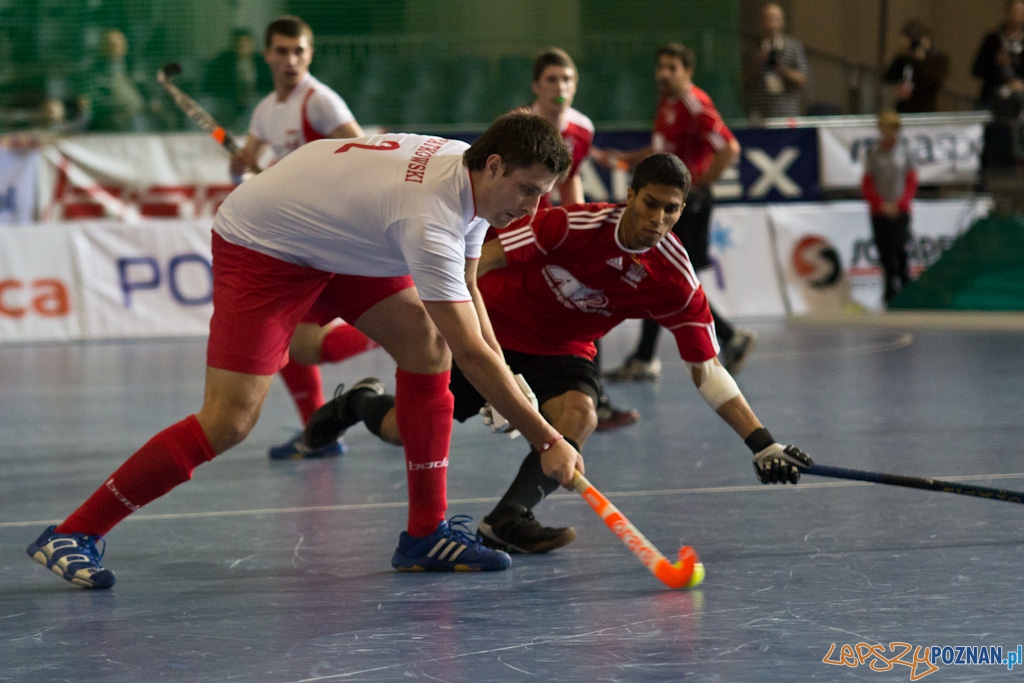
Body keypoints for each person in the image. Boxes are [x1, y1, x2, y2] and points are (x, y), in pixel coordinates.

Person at [26, 112, 583, 589]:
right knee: (228, 420)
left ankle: (425, 535)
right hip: (263, 243)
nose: (532, 209)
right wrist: (547, 439)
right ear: (494, 166)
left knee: (426, 342)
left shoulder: (472, 176)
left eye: (542, 194)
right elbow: (471, 353)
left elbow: (469, 290)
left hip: (337, 234)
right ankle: (74, 532)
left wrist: (508, 376)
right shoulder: (430, 217)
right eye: (528, 190)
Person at [303, 153, 813, 554]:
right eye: (650, 203)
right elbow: (478, 263)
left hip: (564, 349)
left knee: (581, 413)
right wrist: (486, 360)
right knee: (403, 430)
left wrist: (762, 443)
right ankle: (358, 401)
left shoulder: (675, 280)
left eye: (672, 210)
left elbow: (708, 371)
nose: (658, 220)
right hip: (493, 328)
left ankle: (509, 518)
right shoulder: (570, 226)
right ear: (629, 196)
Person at [232, 16, 377, 461]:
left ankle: (409, 329)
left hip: (329, 235)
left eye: (299, 51)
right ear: (267, 56)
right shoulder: (265, 110)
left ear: (310, 54)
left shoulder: (320, 103)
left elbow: (367, 158)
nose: (291, 60)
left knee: (297, 344)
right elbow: (248, 168)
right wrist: (240, 168)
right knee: (289, 343)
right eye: (282, 51)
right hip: (296, 237)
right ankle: (319, 433)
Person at [595, 42, 754, 380]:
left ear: (688, 72)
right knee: (660, 273)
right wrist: (624, 159)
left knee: (670, 276)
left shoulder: (694, 104)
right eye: (660, 67)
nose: (663, 74)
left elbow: (729, 147)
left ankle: (725, 338)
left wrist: (700, 183)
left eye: (672, 68)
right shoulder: (667, 102)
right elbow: (660, 150)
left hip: (686, 206)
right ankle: (650, 356)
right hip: (675, 202)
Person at [528, 47, 638, 432]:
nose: (560, 87)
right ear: (536, 86)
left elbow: (570, 178)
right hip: (522, 229)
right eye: (552, 79)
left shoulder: (582, 129)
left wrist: (578, 229)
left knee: (587, 303)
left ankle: (595, 400)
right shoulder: (522, 128)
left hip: (555, 231)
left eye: (567, 79)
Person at [861, 111, 918, 306]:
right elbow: (867, 184)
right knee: (885, 250)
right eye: (885, 128)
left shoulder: (904, 152)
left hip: (900, 210)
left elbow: (911, 181)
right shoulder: (873, 154)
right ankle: (889, 289)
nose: (889, 132)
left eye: (892, 128)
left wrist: (900, 204)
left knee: (900, 247)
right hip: (880, 211)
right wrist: (881, 204)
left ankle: (905, 284)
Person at [741, 2, 808, 121]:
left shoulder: (793, 46)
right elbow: (740, 79)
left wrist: (782, 70)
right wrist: (756, 65)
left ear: (782, 21)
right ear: (761, 21)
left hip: (787, 112)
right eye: (768, 18)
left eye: (775, 18)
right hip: (758, 113)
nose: (771, 23)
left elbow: (802, 78)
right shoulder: (751, 48)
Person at [77, 28, 148, 132]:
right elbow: (89, 102)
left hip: (140, 120)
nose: (115, 47)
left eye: (119, 44)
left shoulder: (134, 71)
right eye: (110, 44)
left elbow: (149, 93)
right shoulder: (93, 74)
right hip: (110, 124)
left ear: (125, 47)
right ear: (102, 47)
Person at [201, 28, 273, 131]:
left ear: (252, 45)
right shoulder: (222, 61)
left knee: (255, 105)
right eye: (239, 44)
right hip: (228, 100)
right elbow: (213, 84)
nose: (243, 47)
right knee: (206, 105)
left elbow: (270, 85)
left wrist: (252, 95)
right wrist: (234, 96)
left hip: (254, 99)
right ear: (233, 45)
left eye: (246, 43)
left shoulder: (262, 62)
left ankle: (245, 132)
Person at [882, 20, 949, 114]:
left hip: (925, 110)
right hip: (904, 109)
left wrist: (920, 59)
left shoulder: (937, 58)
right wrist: (901, 55)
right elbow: (889, 77)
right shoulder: (905, 58)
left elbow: (932, 82)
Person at [972, 0, 1024, 113]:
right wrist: (995, 62)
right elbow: (976, 70)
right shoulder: (992, 39)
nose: (1017, 17)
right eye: (1014, 12)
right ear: (1007, 13)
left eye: (1020, 13)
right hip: (992, 98)